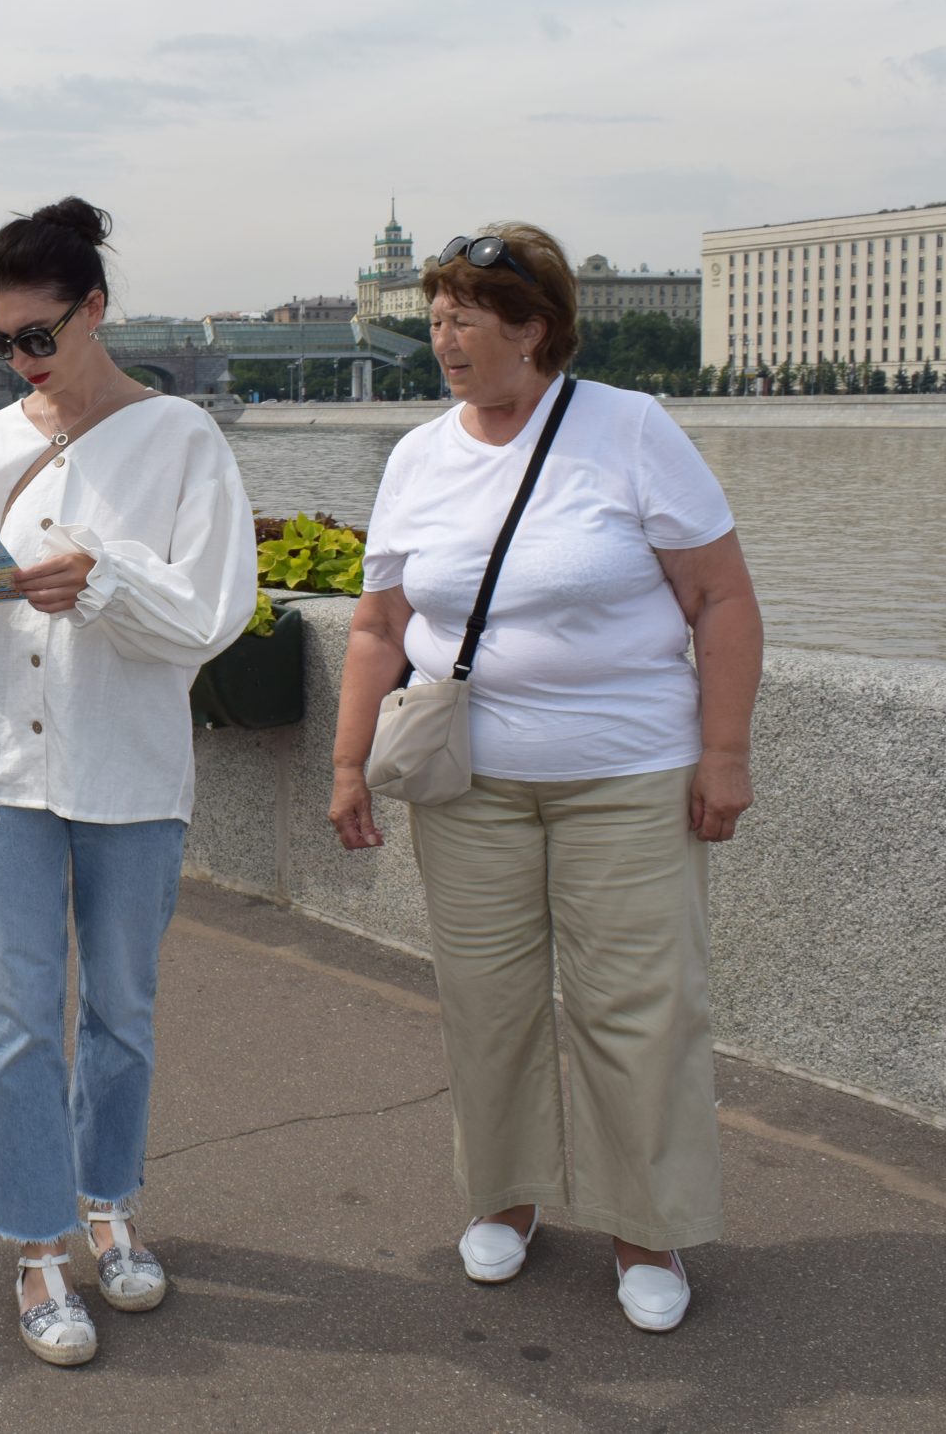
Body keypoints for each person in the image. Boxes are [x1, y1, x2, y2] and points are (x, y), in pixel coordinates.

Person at [327, 223, 763, 1335]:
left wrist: (724, 752)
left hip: (627, 772)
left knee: (638, 1012)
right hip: (469, 781)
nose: (444, 339)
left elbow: (720, 598)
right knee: (487, 1004)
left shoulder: (628, 429)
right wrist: (347, 763)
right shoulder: (418, 456)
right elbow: (380, 625)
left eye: (466, 318)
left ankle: (646, 1228)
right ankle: (505, 1202)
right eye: (434, 320)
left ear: (534, 329)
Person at [0, 198, 256, 1366]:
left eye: (36, 335)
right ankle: (38, 1244)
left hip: (130, 770)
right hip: (3, 765)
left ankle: (109, 1206)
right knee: (14, 1022)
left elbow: (212, 614)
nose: (18, 361)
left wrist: (98, 577)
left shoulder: (182, 437)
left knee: (121, 1016)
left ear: (94, 310)